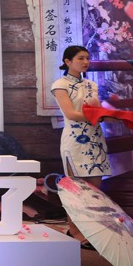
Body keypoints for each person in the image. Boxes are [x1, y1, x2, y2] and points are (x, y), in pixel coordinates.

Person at [50, 44, 111, 247]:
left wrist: (107, 115)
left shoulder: (91, 85)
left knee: (94, 191)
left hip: (95, 139)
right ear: (67, 62)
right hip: (75, 140)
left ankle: (90, 231)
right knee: (76, 190)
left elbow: (97, 110)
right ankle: (74, 231)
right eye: (80, 58)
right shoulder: (60, 85)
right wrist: (96, 115)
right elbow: (70, 114)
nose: (85, 62)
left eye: (87, 58)